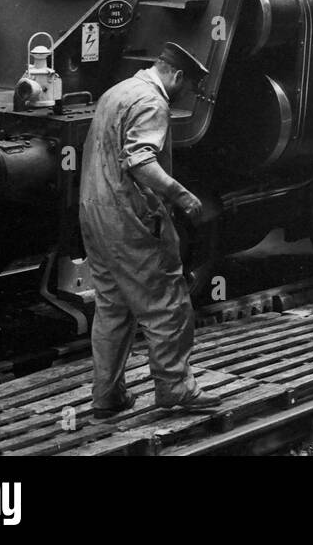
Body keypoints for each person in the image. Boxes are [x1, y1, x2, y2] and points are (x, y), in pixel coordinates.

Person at [79, 41, 222, 418]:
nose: (185, 94)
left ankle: (106, 395)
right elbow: (141, 160)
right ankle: (175, 387)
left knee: (112, 307)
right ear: (176, 75)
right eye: (187, 86)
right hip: (130, 219)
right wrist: (182, 196)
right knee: (166, 303)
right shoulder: (151, 102)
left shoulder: (117, 92)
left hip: (95, 213)